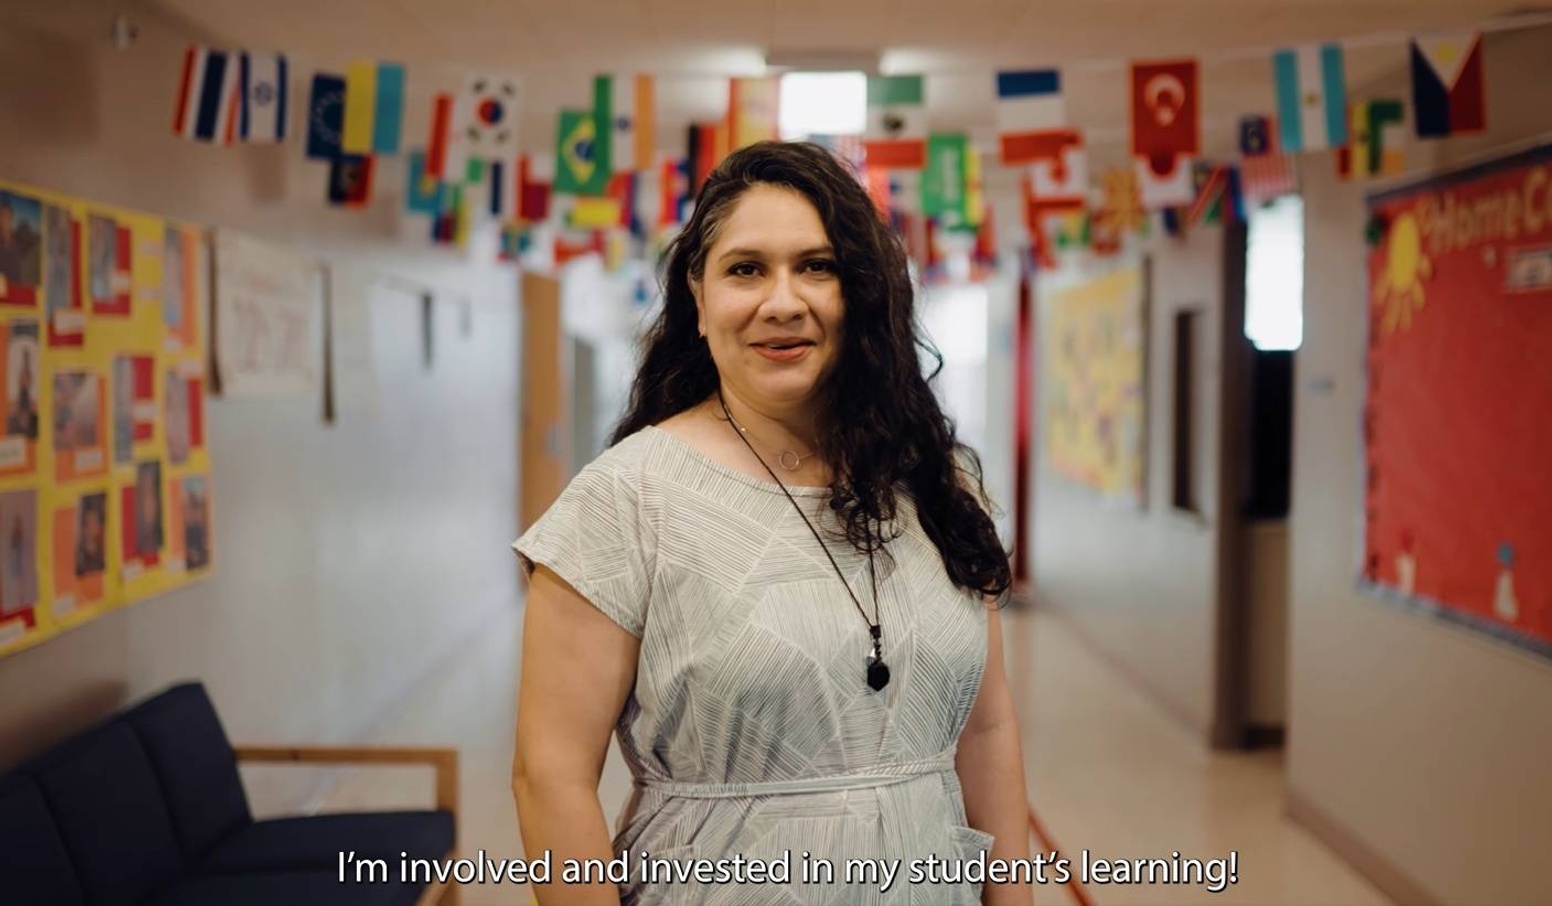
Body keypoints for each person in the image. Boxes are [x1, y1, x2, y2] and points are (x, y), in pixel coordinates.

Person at [512, 141, 1032, 905]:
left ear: (859, 291)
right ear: (697, 292)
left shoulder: (937, 485)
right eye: (746, 268)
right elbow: (548, 777)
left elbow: (986, 735)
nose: (783, 301)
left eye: (816, 267)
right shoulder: (625, 500)